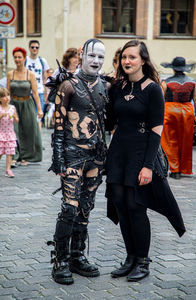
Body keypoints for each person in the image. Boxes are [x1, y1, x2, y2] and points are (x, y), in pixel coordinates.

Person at [105, 40, 186, 282]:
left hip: (141, 154)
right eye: (123, 58)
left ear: (143, 60)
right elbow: (110, 123)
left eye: (132, 57)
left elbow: (156, 130)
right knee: (119, 203)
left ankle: (143, 261)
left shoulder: (152, 89)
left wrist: (148, 166)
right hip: (118, 152)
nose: (127, 61)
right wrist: (106, 92)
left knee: (135, 206)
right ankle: (130, 258)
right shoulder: (118, 88)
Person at [47, 38, 107, 285]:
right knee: (69, 207)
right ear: (82, 55)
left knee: (85, 208)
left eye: (101, 57)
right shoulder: (68, 86)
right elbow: (59, 127)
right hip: (73, 154)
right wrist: (59, 159)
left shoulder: (105, 85)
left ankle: (77, 256)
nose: (96, 61)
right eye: (92, 55)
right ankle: (60, 260)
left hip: (96, 156)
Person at [160, 57, 196, 179]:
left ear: (173, 69)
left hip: (170, 111)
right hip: (187, 112)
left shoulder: (166, 82)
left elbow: (160, 99)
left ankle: (174, 169)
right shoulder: (193, 82)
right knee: (185, 141)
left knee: (170, 140)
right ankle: (184, 168)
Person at [7, 47, 43, 166]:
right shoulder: (10, 74)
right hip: (13, 104)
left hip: (27, 104)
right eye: (15, 57)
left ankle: (25, 156)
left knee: (28, 130)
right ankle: (14, 156)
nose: (17, 59)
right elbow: (7, 93)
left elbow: (35, 93)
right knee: (14, 130)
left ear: (24, 58)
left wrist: (39, 109)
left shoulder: (30, 74)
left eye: (19, 57)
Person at [25, 40, 50, 129]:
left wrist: (46, 92)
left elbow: (45, 77)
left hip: (39, 92)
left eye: (36, 47)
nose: (34, 49)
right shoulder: (25, 60)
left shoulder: (42, 61)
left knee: (39, 117)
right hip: (27, 92)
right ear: (29, 48)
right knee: (28, 117)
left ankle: (37, 139)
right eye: (32, 47)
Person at [0, 87, 18, 177]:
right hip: (1, 133)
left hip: (10, 134)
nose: (6, 98)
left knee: (9, 152)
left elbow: (16, 120)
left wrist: (15, 117)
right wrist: (1, 115)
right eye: (3, 96)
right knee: (0, 152)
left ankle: (8, 169)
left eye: (8, 95)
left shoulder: (12, 108)